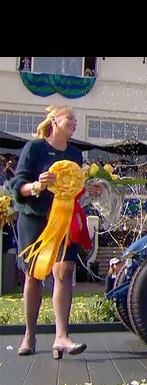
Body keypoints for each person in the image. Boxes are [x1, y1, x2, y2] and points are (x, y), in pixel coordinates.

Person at [8, 105, 104, 359]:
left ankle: (61, 336)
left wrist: (90, 189)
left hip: (64, 218)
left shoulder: (74, 153)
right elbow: (17, 185)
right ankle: (29, 335)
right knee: (34, 275)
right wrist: (36, 185)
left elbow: (74, 188)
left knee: (64, 271)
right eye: (69, 118)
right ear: (54, 121)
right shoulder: (34, 148)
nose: (74, 122)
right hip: (35, 219)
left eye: (75, 119)